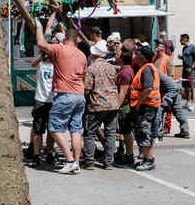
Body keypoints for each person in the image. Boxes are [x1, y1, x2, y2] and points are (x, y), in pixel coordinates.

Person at [35, 17, 87, 174]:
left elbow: (41, 44)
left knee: (54, 128)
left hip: (65, 95)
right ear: (76, 40)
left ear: (65, 39)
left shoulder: (60, 49)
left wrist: (39, 26)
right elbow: (83, 76)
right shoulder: (82, 55)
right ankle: (76, 163)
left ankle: (70, 161)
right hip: (80, 95)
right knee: (75, 130)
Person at [82, 40, 119, 169]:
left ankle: (89, 161)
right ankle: (109, 162)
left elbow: (87, 88)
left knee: (90, 133)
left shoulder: (91, 69)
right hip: (112, 104)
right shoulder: (112, 68)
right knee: (111, 133)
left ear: (94, 55)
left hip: (96, 104)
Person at [128, 41, 160, 171]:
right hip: (149, 105)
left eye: (137, 54)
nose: (135, 56)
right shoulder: (147, 68)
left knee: (144, 132)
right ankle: (147, 158)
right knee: (146, 133)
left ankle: (149, 160)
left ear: (142, 58)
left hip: (147, 106)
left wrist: (139, 102)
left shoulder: (146, 69)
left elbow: (148, 88)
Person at [28, 41, 55, 168]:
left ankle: (49, 153)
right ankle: (36, 155)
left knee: (52, 130)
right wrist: (43, 54)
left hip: (53, 100)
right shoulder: (41, 64)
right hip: (40, 100)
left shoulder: (56, 64)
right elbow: (33, 64)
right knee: (38, 130)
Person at [114, 44, 137, 165]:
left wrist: (116, 107)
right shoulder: (125, 69)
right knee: (124, 131)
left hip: (125, 106)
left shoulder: (125, 73)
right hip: (125, 105)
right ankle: (123, 152)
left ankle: (129, 155)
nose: (115, 55)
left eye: (117, 54)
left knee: (126, 132)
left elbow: (122, 92)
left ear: (122, 58)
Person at [158, 69, 190, 138]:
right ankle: (185, 130)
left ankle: (158, 133)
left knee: (161, 109)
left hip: (170, 90)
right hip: (174, 88)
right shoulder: (153, 69)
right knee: (178, 110)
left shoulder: (150, 70)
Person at [178, 33, 195, 112]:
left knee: (192, 86)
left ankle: (193, 104)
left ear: (185, 39)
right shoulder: (184, 48)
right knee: (186, 86)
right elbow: (186, 58)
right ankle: (188, 102)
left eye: (181, 40)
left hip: (191, 70)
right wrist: (181, 57)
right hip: (185, 69)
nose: (180, 41)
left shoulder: (193, 47)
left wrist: (192, 67)